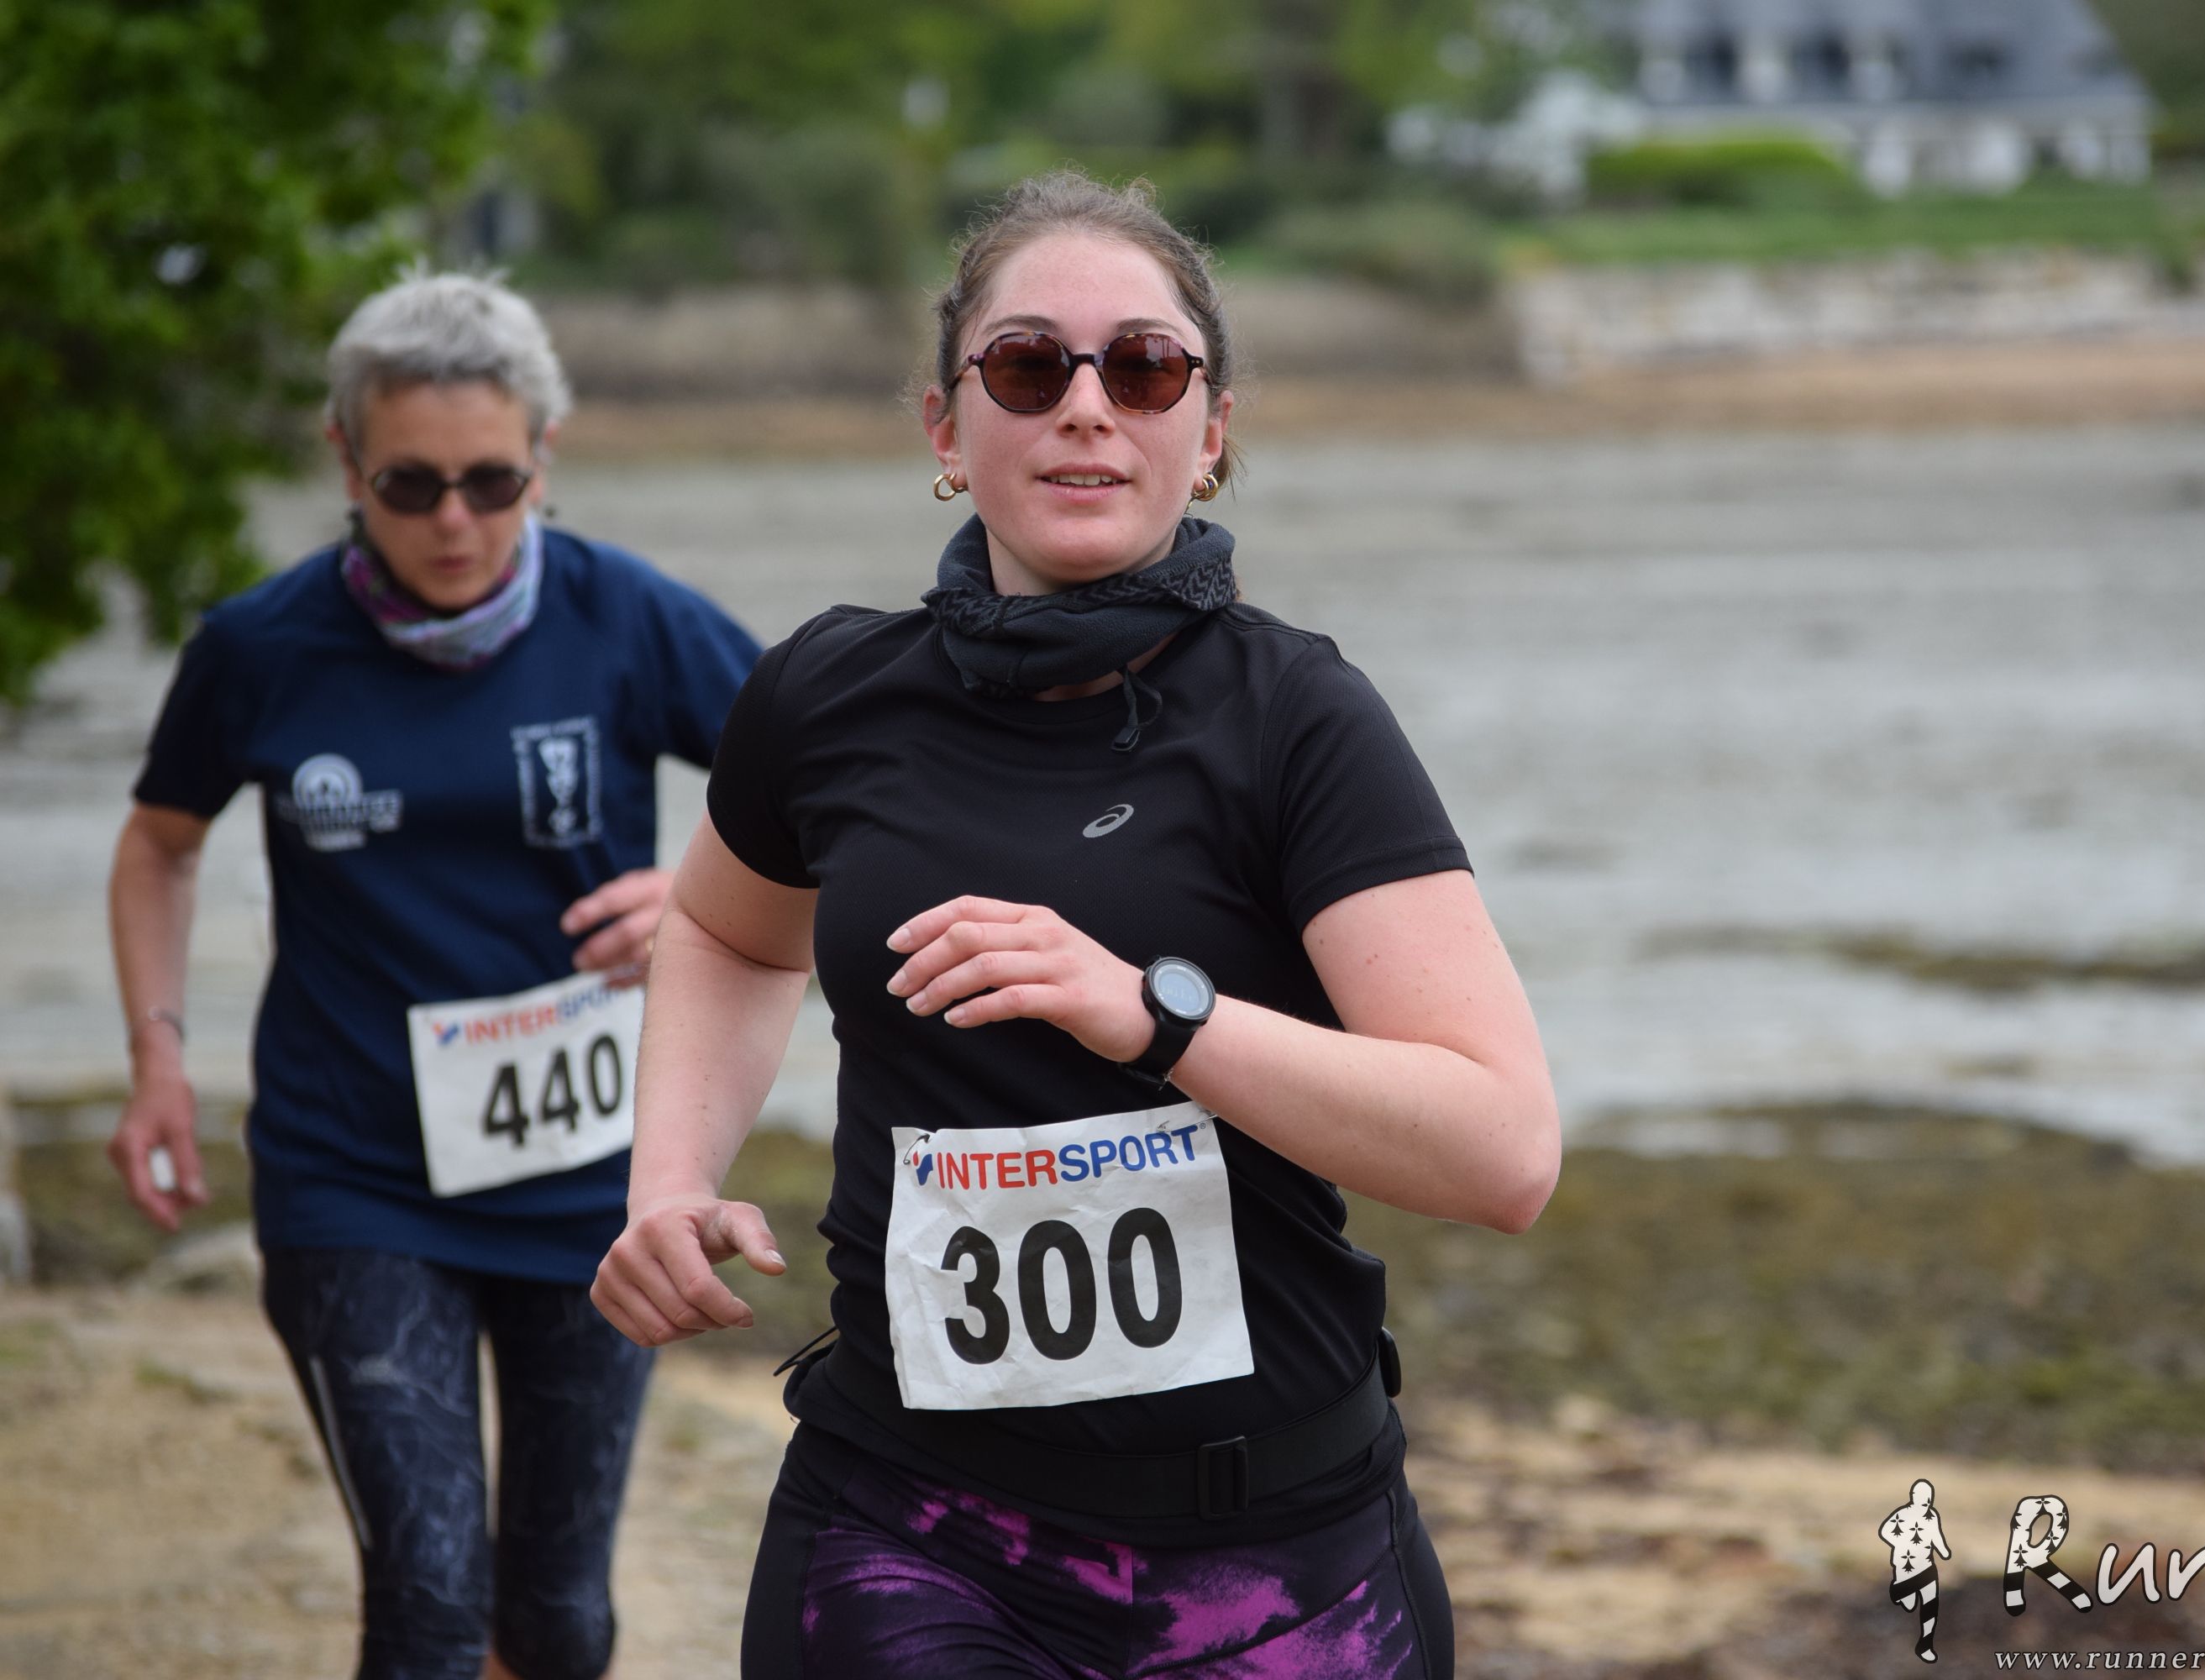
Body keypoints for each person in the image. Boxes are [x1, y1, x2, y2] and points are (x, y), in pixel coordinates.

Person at [590, 171, 1562, 1680]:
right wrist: (667, 1179)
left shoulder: (1298, 718)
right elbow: (727, 935)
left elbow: (1502, 1151)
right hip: (906, 1525)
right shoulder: (826, 695)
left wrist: (1154, 1015)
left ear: (1211, 428)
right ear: (946, 427)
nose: (1090, 408)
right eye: (1032, 366)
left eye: (1148, 368)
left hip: (1272, 1559)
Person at [105, 270, 763, 1680]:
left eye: (491, 482)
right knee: (426, 1600)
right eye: (410, 485)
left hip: (591, 1186)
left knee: (561, 1625)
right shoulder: (259, 650)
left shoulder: (629, 620)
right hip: (355, 1178)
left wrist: (699, 898)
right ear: (346, 462)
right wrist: (158, 1057)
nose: (454, 522)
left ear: (545, 458)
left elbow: (832, 793)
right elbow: (158, 847)